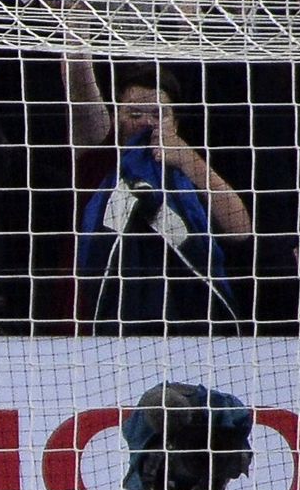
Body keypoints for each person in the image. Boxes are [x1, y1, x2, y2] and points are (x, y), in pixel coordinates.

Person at [70, 61, 253, 334]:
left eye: (158, 115)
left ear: (175, 123)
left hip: (192, 322)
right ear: (115, 118)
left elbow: (240, 230)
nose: (147, 123)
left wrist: (189, 162)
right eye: (134, 114)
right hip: (111, 322)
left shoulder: (191, 171)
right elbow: (78, 85)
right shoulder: (96, 162)